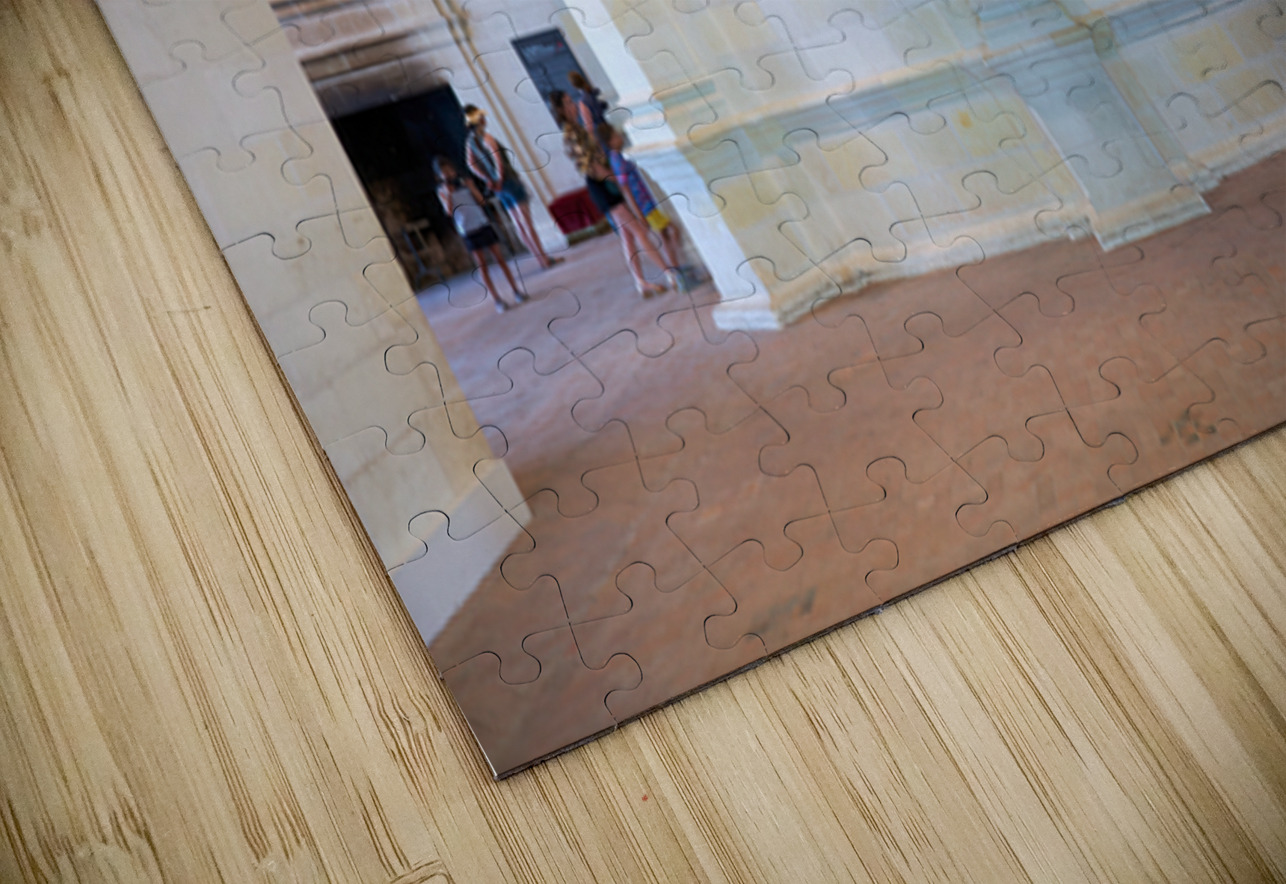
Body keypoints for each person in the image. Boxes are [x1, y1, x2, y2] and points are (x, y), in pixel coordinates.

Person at [550, 89, 675, 299]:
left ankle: (640, 281)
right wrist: (616, 180)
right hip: (602, 185)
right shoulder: (572, 133)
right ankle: (670, 273)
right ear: (562, 109)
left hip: (602, 183)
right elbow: (593, 166)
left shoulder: (577, 130)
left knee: (627, 236)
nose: (573, 105)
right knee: (639, 231)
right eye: (568, 102)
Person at [462, 105, 561, 270]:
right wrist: (499, 177)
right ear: (479, 119)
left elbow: (471, 164)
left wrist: (487, 178)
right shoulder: (486, 138)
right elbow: (498, 158)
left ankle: (539, 259)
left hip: (497, 187)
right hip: (508, 181)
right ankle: (544, 259)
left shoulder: (470, 142)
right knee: (526, 222)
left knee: (518, 224)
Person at [434, 156, 528, 313]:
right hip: (467, 230)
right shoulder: (442, 191)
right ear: (439, 176)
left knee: (500, 259)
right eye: (444, 172)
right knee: (482, 265)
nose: (448, 174)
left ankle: (516, 290)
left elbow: (481, 201)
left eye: (449, 170)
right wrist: (449, 194)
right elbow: (449, 212)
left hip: (481, 223)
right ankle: (497, 299)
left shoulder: (464, 183)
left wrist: (471, 187)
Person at [601, 123, 686, 291]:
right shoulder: (617, 161)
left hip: (647, 203)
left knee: (665, 234)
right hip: (644, 206)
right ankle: (675, 270)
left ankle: (676, 269)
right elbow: (625, 188)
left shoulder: (618, 158)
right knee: (671, 230)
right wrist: (638, 213)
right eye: (616, 135)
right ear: (610, 141)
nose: (620, 136)